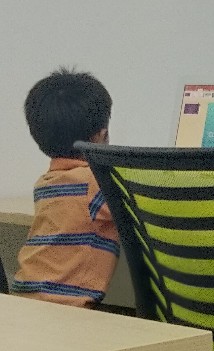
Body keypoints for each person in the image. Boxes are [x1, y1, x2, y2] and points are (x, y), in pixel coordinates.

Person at [11, 68, 122, 311]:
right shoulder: (96, 183)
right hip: (65, 309)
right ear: (101, 136)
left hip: (24, 299)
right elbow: (142, 209)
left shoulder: (46, 182)